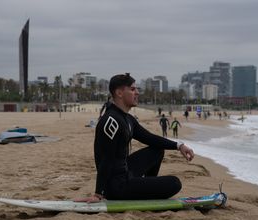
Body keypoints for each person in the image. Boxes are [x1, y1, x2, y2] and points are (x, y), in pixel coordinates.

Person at [76, 73, 194, 203]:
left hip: (125, 171)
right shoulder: (111, 122)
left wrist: (179, 146)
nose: (137, 93)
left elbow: (149, 138)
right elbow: (105, 159)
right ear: (119, 93)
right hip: (116, 185)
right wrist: (99, 193)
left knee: (157, 150)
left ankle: (146, 186)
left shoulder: (127, 119)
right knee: (175, 183)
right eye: (132, 89)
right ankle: (143, 190)